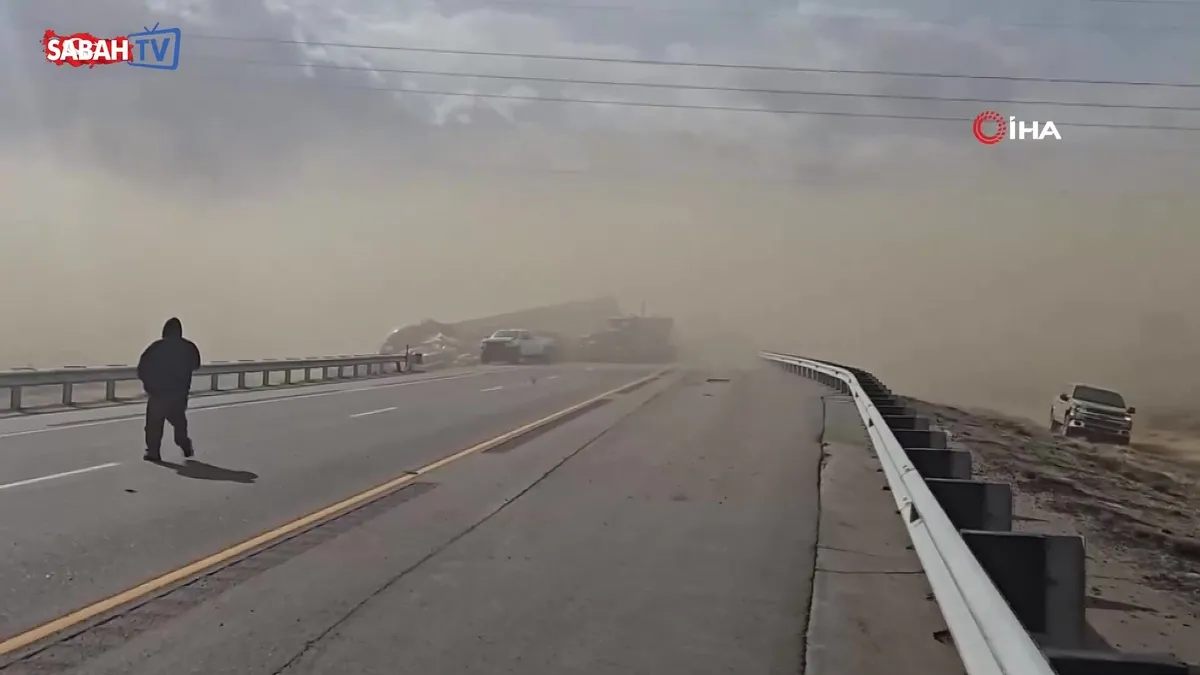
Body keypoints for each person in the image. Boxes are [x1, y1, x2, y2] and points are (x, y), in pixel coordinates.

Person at [136, 317, 201, 461]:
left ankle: (153, 451)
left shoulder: (156, 347)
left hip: (158, 393)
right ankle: (184, 443)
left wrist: (148, 384)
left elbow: (142, 367)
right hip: (178, 394)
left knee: (153, 423)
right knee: (178, 422)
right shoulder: (188, 347)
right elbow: (196, 364)